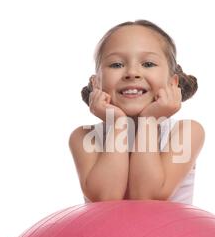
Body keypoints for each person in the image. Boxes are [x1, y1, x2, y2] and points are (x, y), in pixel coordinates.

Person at [69, 19, 205, 204]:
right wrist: (118, 122)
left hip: (167, 234)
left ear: (172, 83)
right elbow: (105, 199)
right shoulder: (84, 137)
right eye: (116, 65)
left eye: (148, 64)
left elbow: (146, 197)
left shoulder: (186, 133)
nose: (132, 73)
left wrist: (149, 120)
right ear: (96, 83)